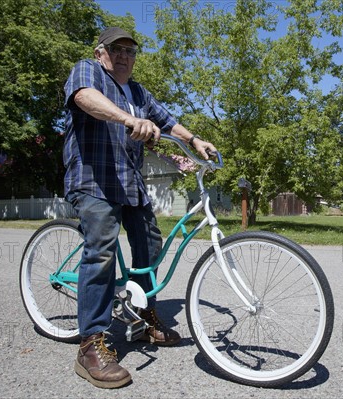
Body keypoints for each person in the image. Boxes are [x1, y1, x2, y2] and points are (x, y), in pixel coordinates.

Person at [63, 27, 216, 389]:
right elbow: (85, 98)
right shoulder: (88, 71)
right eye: (116, 49)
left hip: (129, 183)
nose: (124, 56)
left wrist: (194, 140)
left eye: (130, 51)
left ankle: (141, 316)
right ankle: (90, 344)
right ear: (101, 52)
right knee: (100, 249)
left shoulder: (138, 92)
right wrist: (127, 119)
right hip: (93, 178)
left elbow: (166, 120)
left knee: (149, 245)